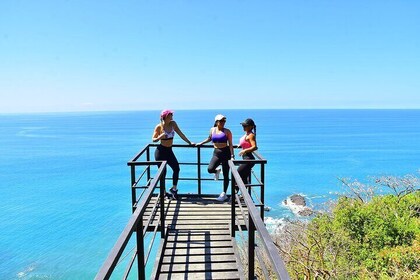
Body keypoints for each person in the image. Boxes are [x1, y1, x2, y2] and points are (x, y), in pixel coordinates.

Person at [152, 109, 193, 200]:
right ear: (165, 117)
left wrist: (189, 142)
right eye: (170, 115)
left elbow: (180, 133)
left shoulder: (173, 124)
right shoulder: (159, 127)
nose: (172, 116)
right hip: (160, 152)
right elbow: (153, 139)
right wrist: (160, 137)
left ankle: (174, 189)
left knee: (176, 168)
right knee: (163, 173)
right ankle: (163, 192)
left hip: (169, 151)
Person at [196, 114, 234, 201]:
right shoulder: (212, 130)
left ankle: (224, 193)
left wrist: (232, 156)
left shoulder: (227, 131)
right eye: (221, 121)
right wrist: (200, 143)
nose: (223, 122)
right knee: (210, 169)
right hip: (216, 153)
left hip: (226, 153)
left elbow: (231, 144)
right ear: (216, 122)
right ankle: (217, 171)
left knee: (225, 175)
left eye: (224, 121)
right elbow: (209, 139)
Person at [237, 118, 258, 186]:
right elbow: (246, 142)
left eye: (245, 126)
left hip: (249, 159)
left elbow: (254, 147)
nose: (243, 127)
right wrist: (240, 145)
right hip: (246, 158)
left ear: (251, 126)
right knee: (243, 177)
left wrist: (244, 150)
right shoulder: (247, 134)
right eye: (243, 125)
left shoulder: (251, 135)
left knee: (237, 173)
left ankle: (236, 192)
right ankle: (242, 195)